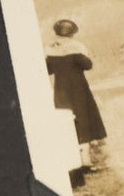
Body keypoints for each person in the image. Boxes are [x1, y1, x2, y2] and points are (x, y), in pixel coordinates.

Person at [45, 19, 107, 172]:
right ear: (72, 33)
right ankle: (85, 162)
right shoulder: (76, 48)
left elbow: (48, 69)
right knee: (83, 121)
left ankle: (73, 161)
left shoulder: (51, 50)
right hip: (79, 90)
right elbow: (88, 65)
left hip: (61, 92)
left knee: (68, 124)